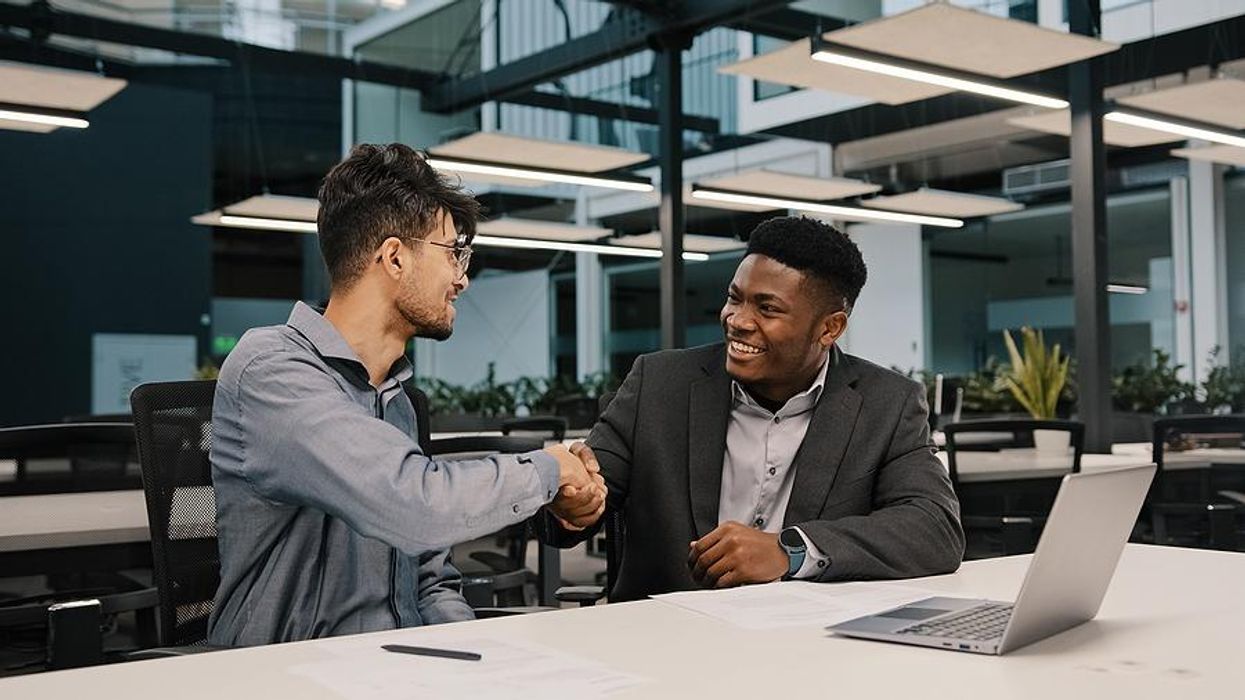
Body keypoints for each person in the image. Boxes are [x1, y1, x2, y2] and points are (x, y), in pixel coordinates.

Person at [207, 143, 605, 646]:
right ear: (394, 258)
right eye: (452, 253)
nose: (462, 278)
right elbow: (413, 505)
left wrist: (477, 658)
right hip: (292, 674)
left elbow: (430, 580)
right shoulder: (272, 370)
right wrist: (550, 469)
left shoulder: (395, 400)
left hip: (396, 668)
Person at [539, 216, 963, 600]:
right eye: (734, 298)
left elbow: (935, 529)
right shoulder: (659, 382)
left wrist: (789, 550)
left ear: (829, 327)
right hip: (667, 640)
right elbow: (578, 498)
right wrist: (573, 506)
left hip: (808, 642)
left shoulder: (886, 402)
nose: (738, 320)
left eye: (767, 308)